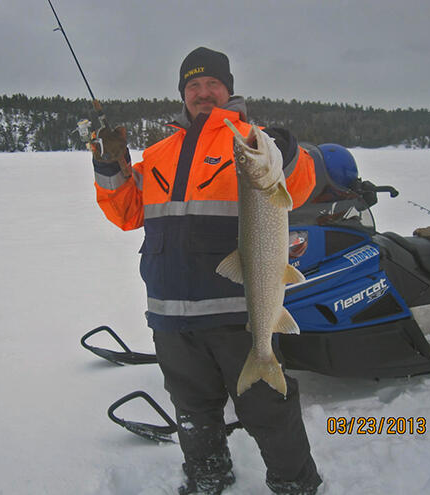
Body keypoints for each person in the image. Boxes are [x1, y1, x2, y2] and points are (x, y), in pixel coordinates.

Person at [90, 47, 322, 495]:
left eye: (212, 84)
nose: (203, 92)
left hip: (236, 309)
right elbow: (127, 211)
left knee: (267, 408)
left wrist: (288, 151)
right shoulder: (160, 151)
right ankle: (207, 476)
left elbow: (299, 183)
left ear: (228, 89)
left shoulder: (250, 140)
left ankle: (296, 483)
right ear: (183, 93)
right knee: (192, 408)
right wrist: (107, 164)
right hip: (171, 311)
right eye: (193, 85)